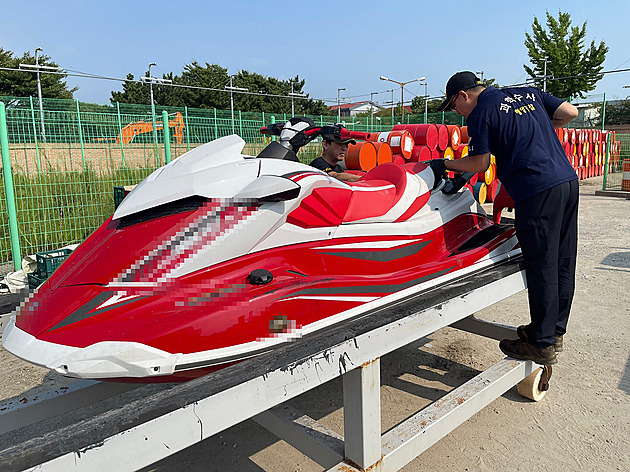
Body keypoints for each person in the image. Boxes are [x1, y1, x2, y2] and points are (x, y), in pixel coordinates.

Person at [431, 71, 579, 365]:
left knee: (542, 263)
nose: (457, 114)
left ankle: (541, 343)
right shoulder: (528, 93)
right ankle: (554, 331)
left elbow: (479, 162)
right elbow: (570, 112)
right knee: (563, 259)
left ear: (464, 95)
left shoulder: (481, 112)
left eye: (454, 107)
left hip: (536, 190)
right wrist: (535, 129)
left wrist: (443, 163)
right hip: (566, 181)